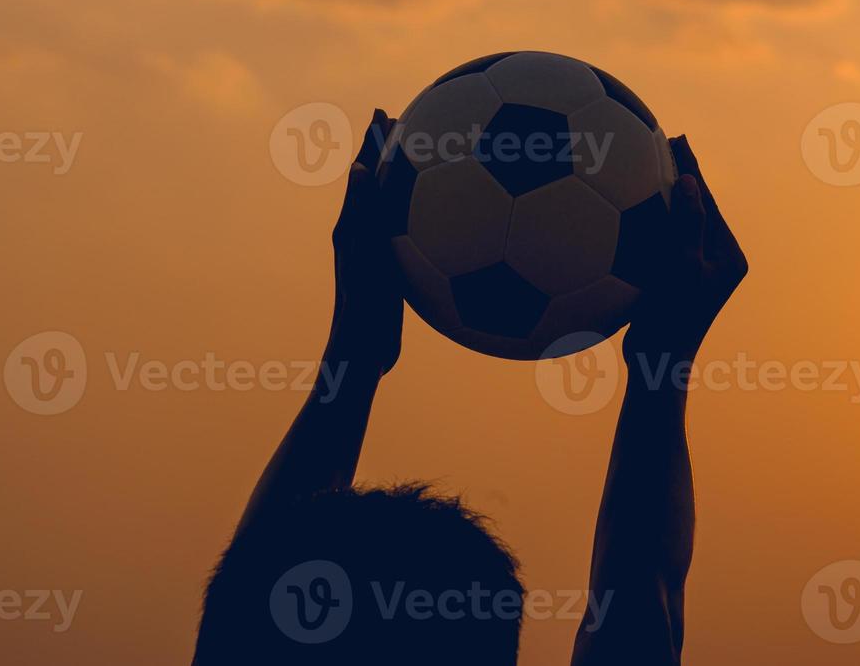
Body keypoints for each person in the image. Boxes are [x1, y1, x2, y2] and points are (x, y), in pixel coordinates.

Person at [193, 109, 749, 665]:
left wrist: (355, 357)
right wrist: (660, 367)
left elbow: (250, 601)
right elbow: (640, 615)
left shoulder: (249, 626)